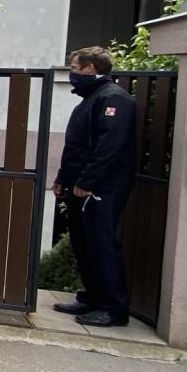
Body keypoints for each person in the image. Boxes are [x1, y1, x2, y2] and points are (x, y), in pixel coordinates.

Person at [52, 46, 139, 328]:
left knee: (102, 245)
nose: (72, 74)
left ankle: (113, 308)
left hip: (102, 188)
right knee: (84, 243)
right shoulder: (91, 99)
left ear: (90, 68)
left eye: (74, 68)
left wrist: (88, 181)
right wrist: (64, 178)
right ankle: (92, 297)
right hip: (81, 185)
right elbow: (76, 147)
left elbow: (108, 147)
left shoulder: (114, 99)